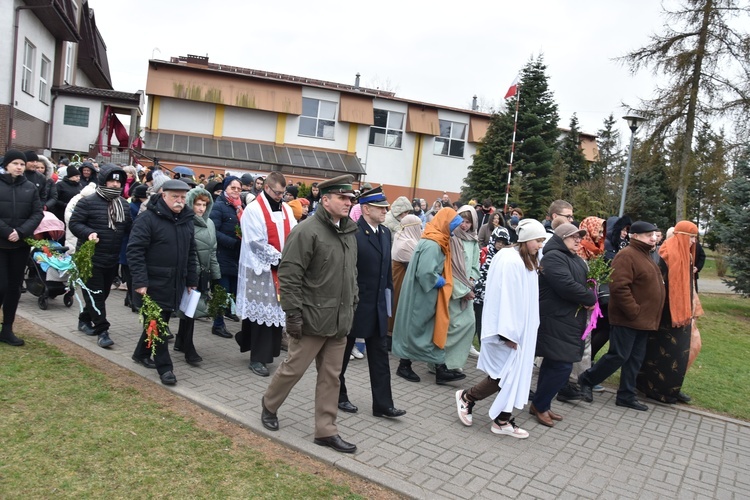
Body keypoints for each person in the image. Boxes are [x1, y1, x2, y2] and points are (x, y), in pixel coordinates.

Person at [260, 174, 359, 454]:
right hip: (311, 319)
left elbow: (351, 274)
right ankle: (269, 404)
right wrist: (292, 314)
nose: (347, 202)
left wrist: (353, 303)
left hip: (339, 320)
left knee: (331, 377)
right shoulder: (307, 231)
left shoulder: (348, 232)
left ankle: (326, 430)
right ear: (325, 200)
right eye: (342, 197)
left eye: (350, 198)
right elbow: (290, 275)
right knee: (293, 369)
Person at [454, 219, 547, 439]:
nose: (540, 245)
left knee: (515, 374)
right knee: (504, 374)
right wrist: (508, 333)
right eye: (537, 240)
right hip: (507, 330)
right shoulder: (510, 261)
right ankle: (467, 398)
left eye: (543, 240)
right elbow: (506, 299)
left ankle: (502, 420)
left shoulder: (527, 260)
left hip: (522, 330)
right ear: (525, 239)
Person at [578, 221, 665, 411]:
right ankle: (586, 379)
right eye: (647, 235)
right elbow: (619, 286)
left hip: (644, 320)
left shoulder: (646, 255)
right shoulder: (627, 255)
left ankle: (626, 394)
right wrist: (633, 310)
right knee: (618, 356)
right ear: (635, 236)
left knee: (634, 359)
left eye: (653, 235)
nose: (653, 238)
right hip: (628, 318)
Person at [337, 187, 405, 419]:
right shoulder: (353, 234)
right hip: (356, 305)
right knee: (342, 355)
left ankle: (383, 405)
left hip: (377, 306)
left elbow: (387, 273)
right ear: (366, 209)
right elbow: (348, 272)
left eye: (386, 207)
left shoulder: (385, 233)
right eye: (380, 208)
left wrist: (388, 301)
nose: (385, 211)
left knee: (379, 356)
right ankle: (338, 395)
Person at [128, 180, 198, 385]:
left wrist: (191, 279)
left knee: (160, 321)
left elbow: (190, 252)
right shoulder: (147, 219)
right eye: (175, 197)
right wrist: (140, 281)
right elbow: (135, 251)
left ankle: (140, 354)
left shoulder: (186, 219)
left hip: (175, 282)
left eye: (183, 197)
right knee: (158, 325)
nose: (179, 201)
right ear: (163, 195)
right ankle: (165, 368)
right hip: (152, 283)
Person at [530, 223, 596, 427]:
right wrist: (589, 298)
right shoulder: (553, 257)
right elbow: (565, 284)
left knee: (553, 364)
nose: (578, 240)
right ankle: (540, 405)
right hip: (555, 319)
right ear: (560, 238)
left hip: (568, 320)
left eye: (579, 237)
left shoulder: (574, 257)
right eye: (573, 236)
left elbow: (581, 282)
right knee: (562, 366)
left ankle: (541, 404)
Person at [391, 207, 466, 385]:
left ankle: (437, 368)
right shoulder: (434, 243)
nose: (455, 230)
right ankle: (408, 366)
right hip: (423, 295)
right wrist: (439, 280)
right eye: (453, 226)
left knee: (424, 329)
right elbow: (425, 273)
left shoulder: (434, 238)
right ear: (446, 224)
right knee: (421, 329)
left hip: (422, 294)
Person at [235, 171, 296, 377]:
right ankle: (257, 358)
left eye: (283, 193)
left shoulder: (287, 209)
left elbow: (294, 235)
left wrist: (292, 257)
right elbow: (255, 242)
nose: (280, 196)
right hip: (260, 270)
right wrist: (279, 259)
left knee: (275, 314)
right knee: (260, 315)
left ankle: (259, 346)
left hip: (281, 269)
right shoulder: (253, 210)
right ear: (266, 188)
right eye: (277, 192)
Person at [69, 164, 133, 349]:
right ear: (103, 181)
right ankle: (102, 330)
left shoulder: (123, 205)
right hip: (91, 258)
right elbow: (75, 223)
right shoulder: (87, 202)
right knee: (95, 294)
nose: (115, 184)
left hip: (111, 259)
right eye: (111, 180)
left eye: (118, 181)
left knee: (102, 294)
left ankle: (84, 319)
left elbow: (129, 228)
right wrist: (88, 232)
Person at [636, 220, 699, 404]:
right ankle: (652, 388)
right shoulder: (665, 254)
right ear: (683, 236)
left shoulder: (687, 256)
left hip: (681, 314)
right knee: (659, 353)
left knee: (679, 354)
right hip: (664, 314)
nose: (694, 242)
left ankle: (671, 389)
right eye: (692, 237)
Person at [0, 150, 44, 346]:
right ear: (6, 164)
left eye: (21, 163)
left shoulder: (29, 187)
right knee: (1, 285)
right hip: (1, 243)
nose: (19, 166)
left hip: (20, 245)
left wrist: (21, 231)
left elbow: (37, 213)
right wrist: (7, 230)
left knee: (14, 288)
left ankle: (7, 329)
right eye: (15, 163)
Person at [174, 187, 221, 366]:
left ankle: (181, 341)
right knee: (189, 311)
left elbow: (213, 250)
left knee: (190, 309)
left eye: (204, 205)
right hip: (189, 273)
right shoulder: (185, 222)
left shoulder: (210, 223)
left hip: (204, 274)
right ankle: (188, 347)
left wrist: (216, 276)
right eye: (197, 204)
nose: (201, 208)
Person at [209, 176, 244, 337]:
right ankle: (217, 324)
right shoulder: (219, 206)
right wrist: (233, 242)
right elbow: (213, 231)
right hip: (222, 255)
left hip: (236, 257)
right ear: (225, 189)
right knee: (221, 291)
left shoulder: (240, 207)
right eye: (233, 188)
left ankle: (227, 313)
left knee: (232, 290)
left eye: (239, 188)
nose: (236, 191)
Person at [389, 214, 423, 375]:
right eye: (418, 226)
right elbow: (416, 266)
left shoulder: (405, 239)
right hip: (401, 283)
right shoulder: (406, 243)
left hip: (401, 281)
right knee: (399, 313)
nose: (421, 230)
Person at [471, 226, 512, 357]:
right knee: (478, 323)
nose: (500, 245)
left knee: (489, 324)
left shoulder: (506, 257)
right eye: (499, 241)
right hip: (479, 295)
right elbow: (476, 271)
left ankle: (486, 351)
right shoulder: (484, 252)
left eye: (504, 243)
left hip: (495, 297)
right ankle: (476, 347)